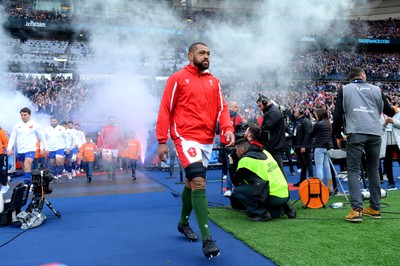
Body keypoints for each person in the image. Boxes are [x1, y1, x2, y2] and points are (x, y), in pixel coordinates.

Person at [156, 42, 235, 259]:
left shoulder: (214, 82)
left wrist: (227, 128)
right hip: (184, 137)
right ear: (191, 55)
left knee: (192, 183)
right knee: (199, 181)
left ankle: (182, 223)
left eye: (209, 53)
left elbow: (223, 109)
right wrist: (162, 140)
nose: (206, 56)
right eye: (202, 53)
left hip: (206, 140)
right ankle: (208, 239)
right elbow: (165, 108)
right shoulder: (178, 78)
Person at [333, 67, 395, 222]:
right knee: (373, 170)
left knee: (353, 170)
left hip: (356, 132)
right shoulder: (376, 89)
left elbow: (338, 115)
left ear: (351, 78)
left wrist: (337, 135)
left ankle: (356, 210)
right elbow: (390, 112)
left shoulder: (345, 89)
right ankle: (375, 208)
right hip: (375, 133)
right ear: (363, 76)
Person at [228, 139, 295, 221]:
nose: (235, 153)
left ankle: (261, 213)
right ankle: (286, 208)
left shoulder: (246, 161)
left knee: (237, 191)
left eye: (236, 150)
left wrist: (232, 164)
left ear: (241, 150)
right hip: (285, 193)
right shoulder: (265, 152)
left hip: (273, 195)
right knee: (274, 213)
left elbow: (236, 182)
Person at [7, 107, 47, 184]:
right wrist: (9, 148)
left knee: (27, 165)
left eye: (25, 115)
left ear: (29, 115)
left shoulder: (35, 124)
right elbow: (12, 137)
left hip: (30, 149)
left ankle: (26, 184)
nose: (23, 116)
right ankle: (31, 179)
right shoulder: (17, 125)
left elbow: (42, 136)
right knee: (24, 169)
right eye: (21, 115)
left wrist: (45, 147)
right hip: (21, 150)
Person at [256, 95, 287, 178]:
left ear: (265, 102)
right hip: (273, 146)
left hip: (275, 147)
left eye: (260, 106)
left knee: (279, 170)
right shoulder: (272, 112)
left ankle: (285, 190)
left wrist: (256, 128)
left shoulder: (273, 112)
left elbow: (266, 126)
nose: (260, 108)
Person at [219, 101, 243, 197]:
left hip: (223, 143)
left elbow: (217, 130)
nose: (237, 108)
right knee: (234, 166)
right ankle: (231, 188)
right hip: (233, 144)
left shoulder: (221, 116)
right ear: (231, 107)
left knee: (227, 164)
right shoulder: (237, 117)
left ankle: (229, 186)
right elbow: (239, 131)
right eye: (236, 106)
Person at [311, 108, 334, 194]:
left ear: (319, 115)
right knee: (327, 167)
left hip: (319, 146)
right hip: (327, 147)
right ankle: (330, 188)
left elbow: (311, 134)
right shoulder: (328, 123)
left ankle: (321, 187)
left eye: (316, 114)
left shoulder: (318, 124)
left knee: (319, 167)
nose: (315, 115)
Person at [98, 116, 124, 181]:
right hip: (107, 147)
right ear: (108, 121)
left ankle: (113, 174)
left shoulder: (119, 128)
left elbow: (122, 137)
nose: (111, 121)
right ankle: (109, 175)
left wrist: (122, 145)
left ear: (115, 120)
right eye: (110, 120)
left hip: (115, 147)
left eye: (113, 120)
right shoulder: (105, 127)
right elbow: (101, 137)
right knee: (108, 162)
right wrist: (100, 146)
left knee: (114, 162)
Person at [293, 107, 313, 186]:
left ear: (301, 112)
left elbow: (308, 135)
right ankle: (302, 180)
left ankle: (312, 181)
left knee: (308, 163)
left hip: (304, 147)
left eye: (296, 111)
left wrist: (304, 146)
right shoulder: (298, 121)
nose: (294, 113)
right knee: (302, 164)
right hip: (298, 146)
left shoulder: (306, 121)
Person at [0, 126, 9, 193]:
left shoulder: (1, 131)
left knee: (0, 170)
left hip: (0, 153)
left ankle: (4, 184)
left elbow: (5, 141)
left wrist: (7, 150)